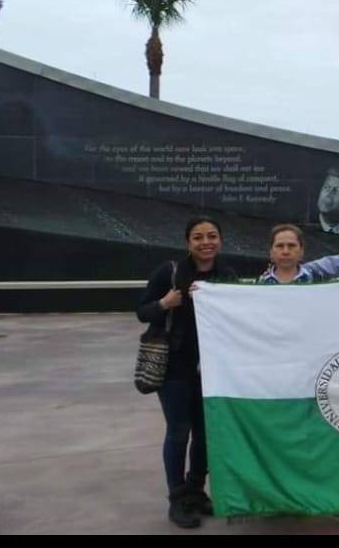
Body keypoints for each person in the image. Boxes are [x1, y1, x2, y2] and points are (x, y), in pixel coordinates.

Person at [136, 216, 238, 529]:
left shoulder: (227, 275)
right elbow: (142, 311)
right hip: (175, 368)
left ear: (220, 240)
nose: (206, 242)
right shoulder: (169, 272)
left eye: (212, 236)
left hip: (212, 369)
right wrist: (165, 303)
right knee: (179, 431)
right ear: (188, 243)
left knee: (206, 434)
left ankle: (196, 490)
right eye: (198, 237)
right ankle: (177, 497)